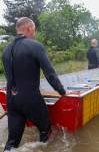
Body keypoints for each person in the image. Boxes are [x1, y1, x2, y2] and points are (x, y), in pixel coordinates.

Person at [2, 17, 66, 151]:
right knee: (45, 131)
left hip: (12, 100)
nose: (34, 33)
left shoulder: (6, 49)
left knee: (12, 142)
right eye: (34, 30)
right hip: (30, 98)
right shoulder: (35, 45)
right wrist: (62, 91)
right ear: (29, 28)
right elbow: (50, 74)